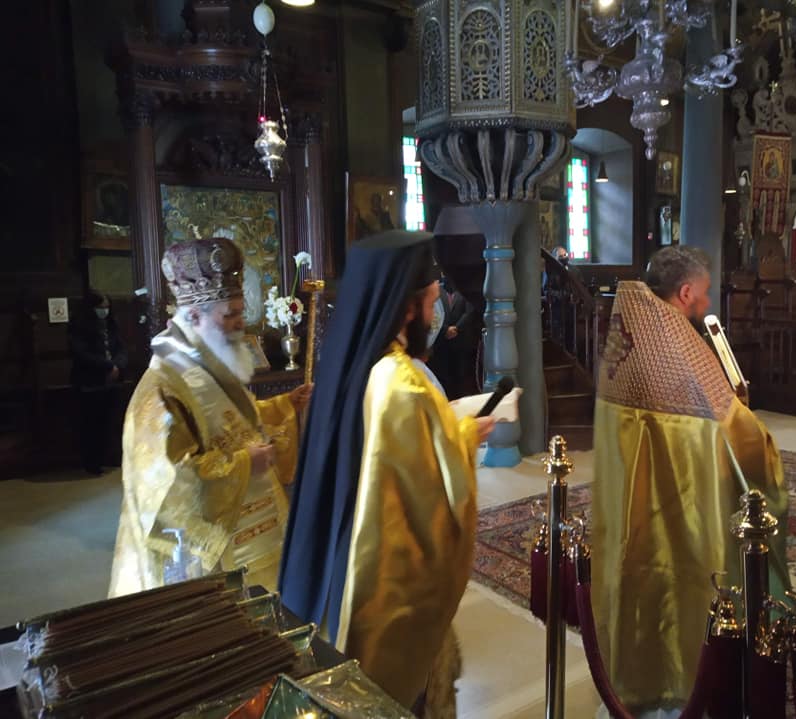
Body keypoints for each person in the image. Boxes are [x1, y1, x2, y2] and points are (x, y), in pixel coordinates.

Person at [279, 230, 494, 716]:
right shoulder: (401, 380)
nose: (434, 317)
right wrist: (465, 437)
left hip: (337, 547)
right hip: (378, 578)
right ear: (408, 307)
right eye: (431, 303)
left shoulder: (355, 357)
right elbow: (429, 491)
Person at [592, 246, 791, 717]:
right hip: (677, 513)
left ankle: (634, 681)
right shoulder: (678, 346)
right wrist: (757, 432)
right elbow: (736, 436)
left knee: (634, 578)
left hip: (629, 506)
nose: (707, 302)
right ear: (684, 293)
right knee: (681, 585)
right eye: (703, 293)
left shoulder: (630, 330)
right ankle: (681, 683)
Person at [108, 238, 312, 597]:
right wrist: (245, 464)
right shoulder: (162, 388)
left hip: (255, 528)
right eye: (229, 315)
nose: (239, 324)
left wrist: (283, 405)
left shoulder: (205, 362)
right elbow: (166, 484)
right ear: (194, 316)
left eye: (240, 312)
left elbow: (230, 426)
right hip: (202, 558)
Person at [68, 291, 128, 475]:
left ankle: (108, 457)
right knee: (91, 424)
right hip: (90, 381)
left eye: (107, 307)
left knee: (109, 422)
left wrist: (117, 365)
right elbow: (81, 353)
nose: (104, 311)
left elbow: (121, 348)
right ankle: (92, 462)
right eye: (100, 307)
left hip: (112, 381)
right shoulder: (78, 326)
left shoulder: (111, 325)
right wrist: (108, 366)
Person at [428, 275, 475, 399]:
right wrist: (445, 330)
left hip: (462, 343)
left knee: (462, 378)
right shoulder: (438, 291)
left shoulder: (465, 291)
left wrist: (456, 328)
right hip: (441, 343)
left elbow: (469, 312)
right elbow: (435, 314)